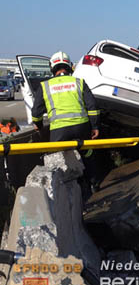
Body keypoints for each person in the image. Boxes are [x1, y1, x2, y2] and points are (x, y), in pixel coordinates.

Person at [32, 51, 100, 192]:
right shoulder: (79, 82)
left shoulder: (45, 85)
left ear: (52, 67)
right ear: (69, 66)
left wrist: (38, 126)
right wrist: (94, 126)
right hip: (82, 127)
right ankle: (94, 184)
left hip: (59, 130)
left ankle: (59, 190)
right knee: (88, 154)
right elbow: (92, 107)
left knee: (56, 159)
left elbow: (36, 113)